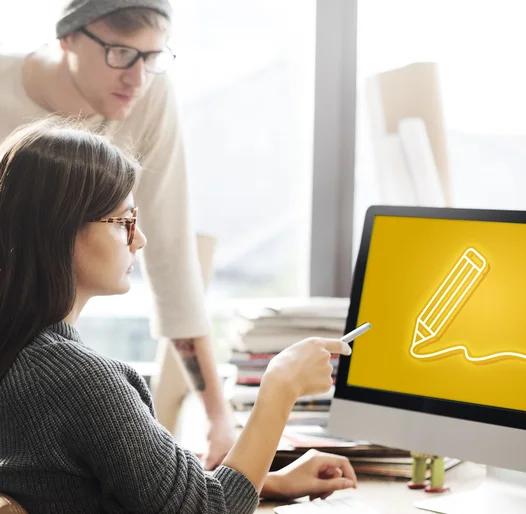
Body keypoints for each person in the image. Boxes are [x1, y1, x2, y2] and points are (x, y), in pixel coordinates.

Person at [0, 119, 357, 513]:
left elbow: (95, 488)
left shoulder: (22, 356)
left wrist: (266, 482)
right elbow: (209, 510)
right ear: (60, 231)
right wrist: (281, 387)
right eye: (124, 222)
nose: (140, 239)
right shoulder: (79, 381)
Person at [0, 0, 236, 468]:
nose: (138, 78)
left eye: (153, 57)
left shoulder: (149, 94)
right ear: (67, 37)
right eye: (121, 53)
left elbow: (170, 257)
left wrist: (217, 417)